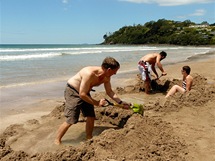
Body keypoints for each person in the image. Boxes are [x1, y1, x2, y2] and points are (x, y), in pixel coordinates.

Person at [54, 57, 130, 145]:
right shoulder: (89, 73)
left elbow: (109, 92)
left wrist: (120, 102)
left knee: (91, 116)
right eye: (114, 71)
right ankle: (57, 140)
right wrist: (97, 103)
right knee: (72, 119)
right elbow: (82, 94)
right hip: (73, 91)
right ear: (109, 70)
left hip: (85, 92)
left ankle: (88, 137)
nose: (115, 73)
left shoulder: (107, 77)